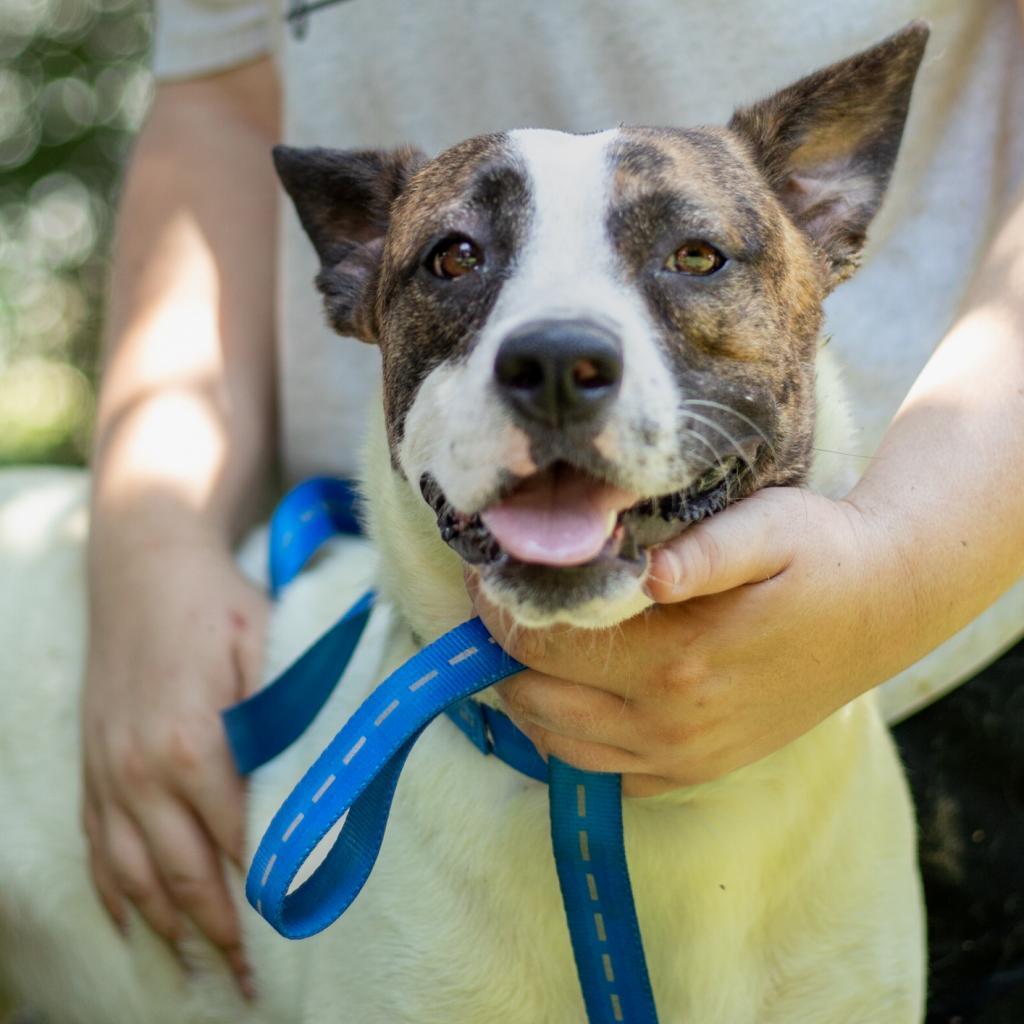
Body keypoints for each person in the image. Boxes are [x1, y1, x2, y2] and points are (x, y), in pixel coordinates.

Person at [84, 1, 1024, 1019]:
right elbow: (215, 105)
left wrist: (896, 569)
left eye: (695, 255)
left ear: (819, 213)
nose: (560, 350)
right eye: (455, 259)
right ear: (360, 269)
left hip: (940, 641)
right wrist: (145, 550)